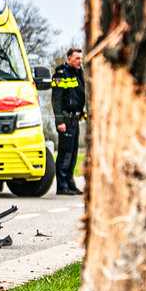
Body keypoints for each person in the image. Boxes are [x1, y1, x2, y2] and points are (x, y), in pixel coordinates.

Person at [51, 47, 85, 195]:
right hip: (65, 118)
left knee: (73, 153)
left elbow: (80, 96)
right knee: (65, 153)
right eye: (77, 58)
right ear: (69, 58)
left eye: (81, 58)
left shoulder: (79, 73)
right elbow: (56, 99)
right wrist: (59, 121)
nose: (80, 61)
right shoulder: (60, 74)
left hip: (75, 119)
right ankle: (62, 185)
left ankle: (70, 183)